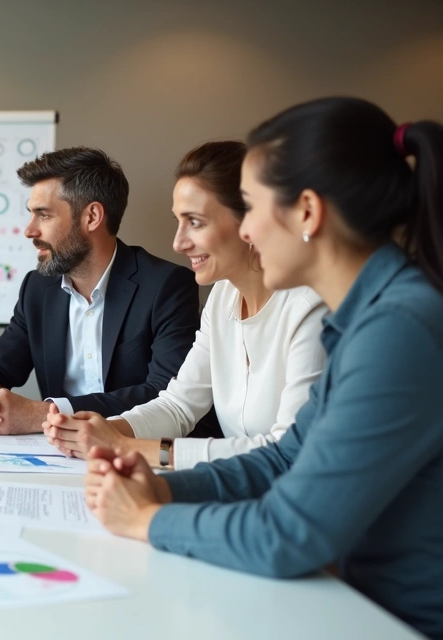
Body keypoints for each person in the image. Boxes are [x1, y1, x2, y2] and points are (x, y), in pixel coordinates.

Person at [84, 98, 443, 638]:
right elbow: (287, 457)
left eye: (249, 207)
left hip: (394, 621)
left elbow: (289, 533)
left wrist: (146, 519)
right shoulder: (367, 317)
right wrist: (169, 490)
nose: (246, 230)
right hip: (351, 602)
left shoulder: (399, 327)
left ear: (306, 212)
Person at [42, 141, 327, 469]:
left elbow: (287, 453)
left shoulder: (310, 308)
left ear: (250, 222)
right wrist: (104, 428)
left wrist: (126, 446)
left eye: (195, 222)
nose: (178, 243)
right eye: (179, 221)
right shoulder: (223, 297)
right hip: (242, 490)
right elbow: (179, 405)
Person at [0, 147, 201, 436]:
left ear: (92, 217)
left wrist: (42, 414)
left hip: (132, 453)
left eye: (43, 215)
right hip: (57, 455)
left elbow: (164, 395)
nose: (29, 230)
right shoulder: (38, 288)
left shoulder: (165, 285)